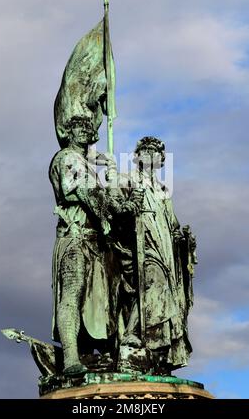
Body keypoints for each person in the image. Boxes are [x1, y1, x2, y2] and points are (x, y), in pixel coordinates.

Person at [114, 136, 196, 372]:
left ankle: (155, 352)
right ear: (137, 156)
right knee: (153, 285)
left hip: (165, 251)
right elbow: (114, 213)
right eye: (146, 151)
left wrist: (182, 240)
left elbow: (172, 225)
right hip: (141, 247)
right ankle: (131, 338)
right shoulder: (127, 181)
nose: (151, 155)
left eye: (156, 152)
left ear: (161, 160)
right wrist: (129, 208)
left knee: (164, 295)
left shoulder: (162, 191)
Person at [49, 115, 120, 375]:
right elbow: (89, 196)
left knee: (100, 301)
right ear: (68, 132)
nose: (82, 131)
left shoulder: (85, 164)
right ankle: (70, 357)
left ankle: (93, 350)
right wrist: (110, 187)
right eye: (77, 128)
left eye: (87, 128)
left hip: (93, 241)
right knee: (73, 293)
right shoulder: (67, 158)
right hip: (74, 237)